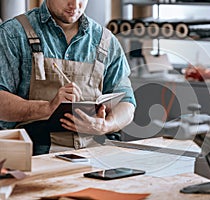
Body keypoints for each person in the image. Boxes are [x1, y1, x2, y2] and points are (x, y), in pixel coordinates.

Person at [0, 0, 136, 155]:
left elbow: (127, 102)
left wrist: (106, 125)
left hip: (94, 156)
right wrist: (47, 108)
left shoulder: (105, 41)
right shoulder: (12, 33)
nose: (75, 4)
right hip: (33, 157)